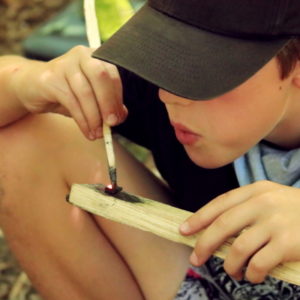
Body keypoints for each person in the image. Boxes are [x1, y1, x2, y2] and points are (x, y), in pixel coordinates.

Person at [1, 0, 300, 299]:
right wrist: (26, 83)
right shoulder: (165, 92)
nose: (168, 93)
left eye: (206, 70)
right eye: (162, 54)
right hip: (205, 276)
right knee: (26, 136)